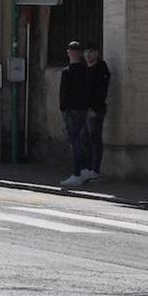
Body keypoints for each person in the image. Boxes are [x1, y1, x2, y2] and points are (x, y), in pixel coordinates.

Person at [58, 41, 93, 187]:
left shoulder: (67, 71)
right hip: (82, 109)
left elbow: (64, 93)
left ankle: (77, 173)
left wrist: (63, 108)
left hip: (72, 110)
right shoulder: (86, 71)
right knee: (82, 139)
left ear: (69, 53)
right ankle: (84, 169)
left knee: (75, 141)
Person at [85, 46, 111, 181]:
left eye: (91, 52)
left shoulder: (101, 68)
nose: (88, 55)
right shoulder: (84, 68)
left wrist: (94, 108)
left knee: (94, 138)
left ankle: (95, 169)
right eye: (87, 52)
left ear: (97, 53)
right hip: (84, 109)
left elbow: (101, 90)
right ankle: (87, 168)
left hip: (96, 109)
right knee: (85, 138)